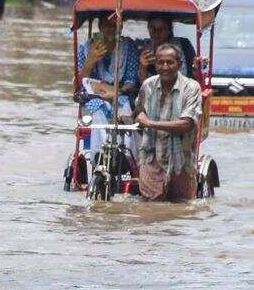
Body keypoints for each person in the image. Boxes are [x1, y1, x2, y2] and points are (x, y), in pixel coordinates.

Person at [135, 43, 202, 202]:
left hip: (181, 160)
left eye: (170, 62)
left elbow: (187, 124)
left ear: (179, 64)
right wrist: (140, 115)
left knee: (181, 207)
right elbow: (138, 108)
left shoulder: (191, 88)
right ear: (155, 64)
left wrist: (150, 123)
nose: (165, 67)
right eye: (160, 62)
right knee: (151, 209)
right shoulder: (148, 85)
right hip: (151, 157)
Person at [77, 16, 140, 163]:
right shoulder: (85, 48)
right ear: (100, 26)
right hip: (94, 97)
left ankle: (126, 155)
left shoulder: (128, 47)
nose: (110, 28)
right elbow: (82, 82)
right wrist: (91, 60)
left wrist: (115, 92)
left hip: (122, 95)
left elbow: (131, 81)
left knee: (125, 105)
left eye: (114, 25)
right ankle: (98, 153)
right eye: (106, 25)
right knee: (96, 105)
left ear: (121, 26)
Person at [137, 17, 197, 83]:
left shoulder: (184, 44)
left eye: (161, 29)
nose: (156, 33)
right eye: (152, 29)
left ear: (169, 30)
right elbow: (144, 84)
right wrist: (143, 66)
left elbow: (194, 71)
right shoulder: (144, 47)